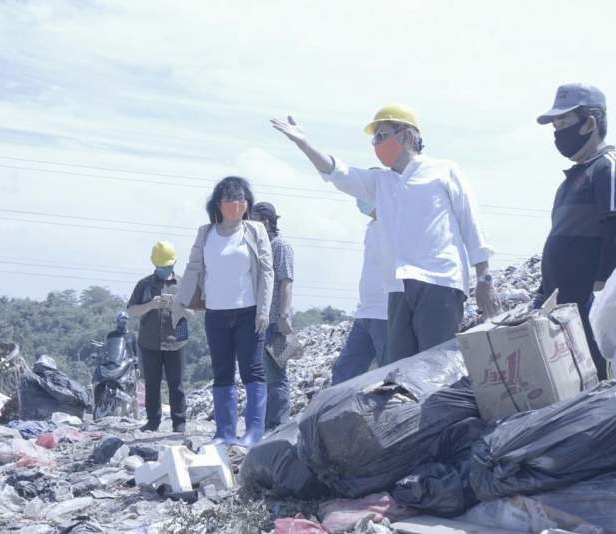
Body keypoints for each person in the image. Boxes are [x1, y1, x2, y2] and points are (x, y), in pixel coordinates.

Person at [272, 105, 498, 362]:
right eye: (375, 139)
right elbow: (337, 172)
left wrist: (484, 278)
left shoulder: (444, 171)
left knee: (437, 366)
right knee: (401, 370)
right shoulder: (380, 182)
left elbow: (471, 223)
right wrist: (304, 144)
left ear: (407, 136)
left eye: (382, 135)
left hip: (440, 282)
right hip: (398, 287)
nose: (377, 144)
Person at [535, 83, 616, 379]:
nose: (558, 132)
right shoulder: (570, 182)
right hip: (566, 316)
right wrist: (541, 299)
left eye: (564, 122)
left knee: (604, 387)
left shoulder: (611, 168)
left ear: (590, 123)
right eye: (555, 125)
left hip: (594, 315)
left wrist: (604, 295)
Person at [174, 176, 274, 447]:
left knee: (252, 370)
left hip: (249, 312)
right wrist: (179, 304)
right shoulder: (206, 233)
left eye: (242, 199)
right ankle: (225, 432)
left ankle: (254, 431)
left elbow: (267, 271)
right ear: (218, 203)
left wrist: (264, 310)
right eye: (231, 199)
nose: (237, 204)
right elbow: (193, 267)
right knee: (222, 371)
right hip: (216, 313)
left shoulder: (254, 231)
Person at [127, 241, 194, 433]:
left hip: (176, 341)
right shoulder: (144, 285)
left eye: (167, 266)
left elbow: (191, 313)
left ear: (174, 263)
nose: (164, 270)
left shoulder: (182, 284)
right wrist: (150, 305)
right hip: (149, 341)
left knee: (176, 384)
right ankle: (153, 420)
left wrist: (176, 306)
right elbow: (131, 310)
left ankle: (179, 421)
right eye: (160, 267)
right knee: (152, 383)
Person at [330, 198, 390, 384]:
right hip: (365, 311)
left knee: (389, 372)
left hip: (386, 311)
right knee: (344, 371)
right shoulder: (372, 226)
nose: (360, 202)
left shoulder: (394, 222)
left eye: (363, 195)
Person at [250, 201, 294, 430]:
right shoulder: (261, 249)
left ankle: (278, 425)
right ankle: (267, 423)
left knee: (277, 375)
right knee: (263, 376)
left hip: (276, 323)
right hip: (260, 322)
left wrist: (284, 316)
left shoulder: (280, 247)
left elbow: (286, 282)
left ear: (265, 222)